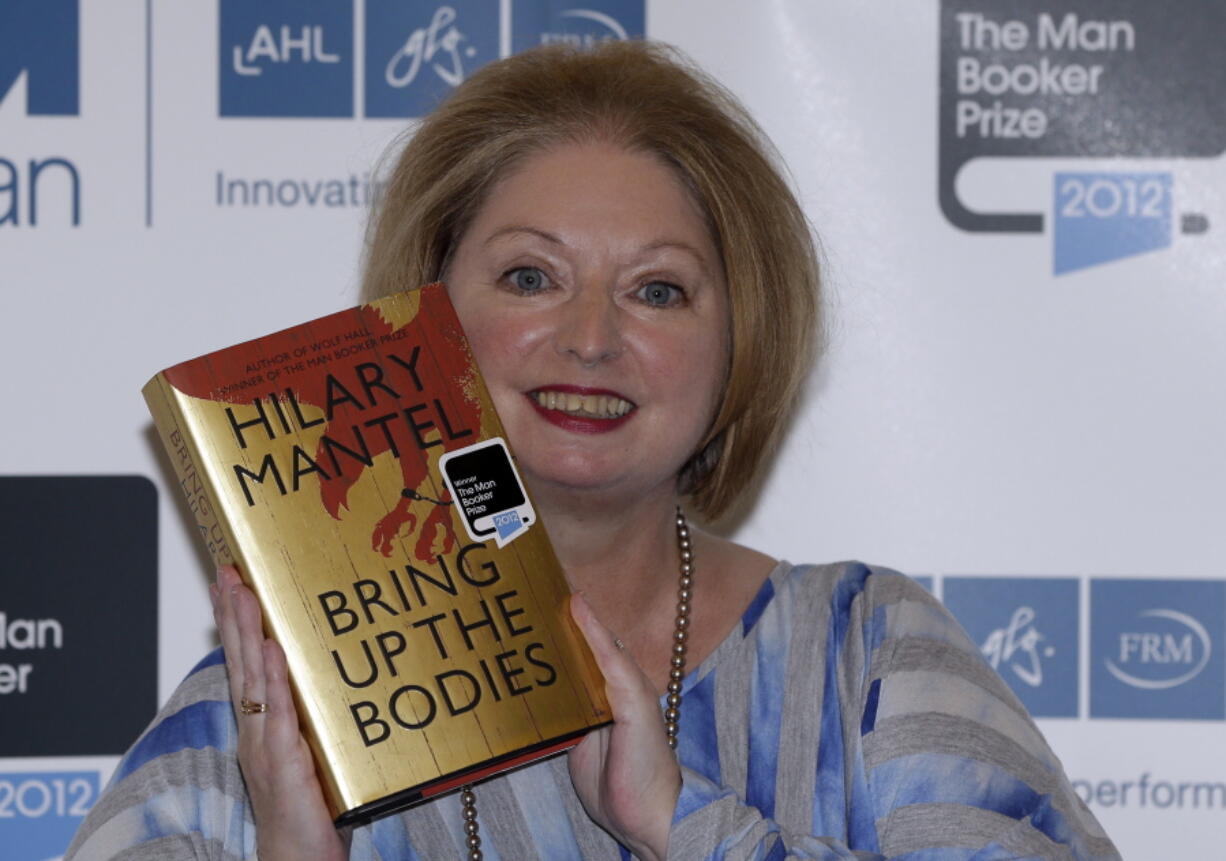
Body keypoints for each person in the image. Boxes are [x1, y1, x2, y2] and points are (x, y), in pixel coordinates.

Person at [67, 41, 1119, 860]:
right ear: (423, 319)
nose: (589, 338)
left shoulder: (866, 653)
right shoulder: (283, 696)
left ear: (736, 343)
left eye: (656, 290)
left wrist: (682, 823)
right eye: (530, 277)